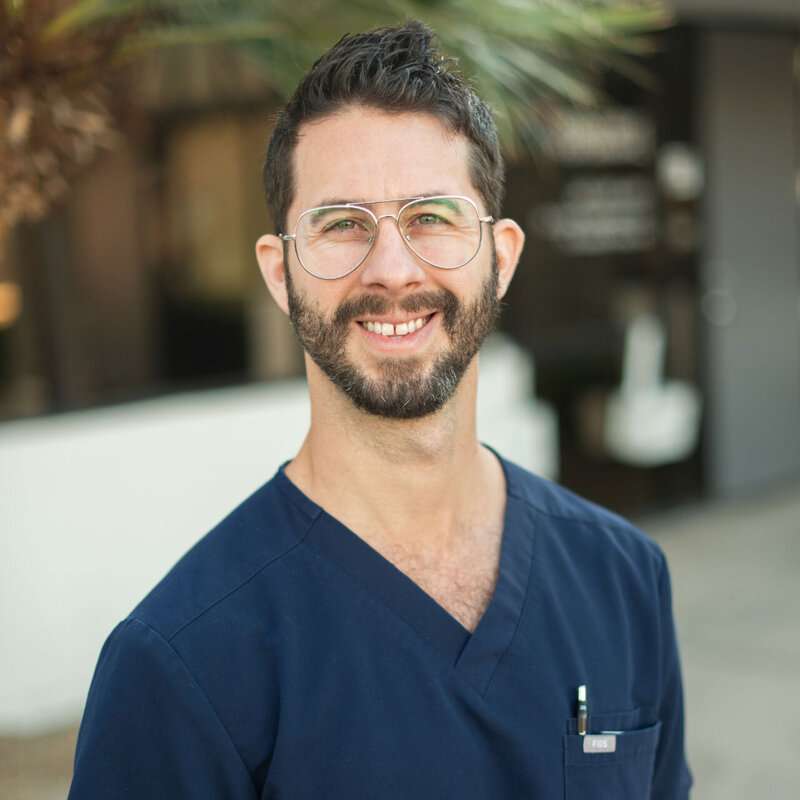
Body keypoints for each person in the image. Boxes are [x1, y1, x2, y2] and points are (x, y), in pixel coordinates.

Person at [68, 20, 692, 799]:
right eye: (341, 226)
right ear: (279, 271)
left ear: (500, 257)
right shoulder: (180, 661)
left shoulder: (624, 578)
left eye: (431, 217)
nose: (391, 269)